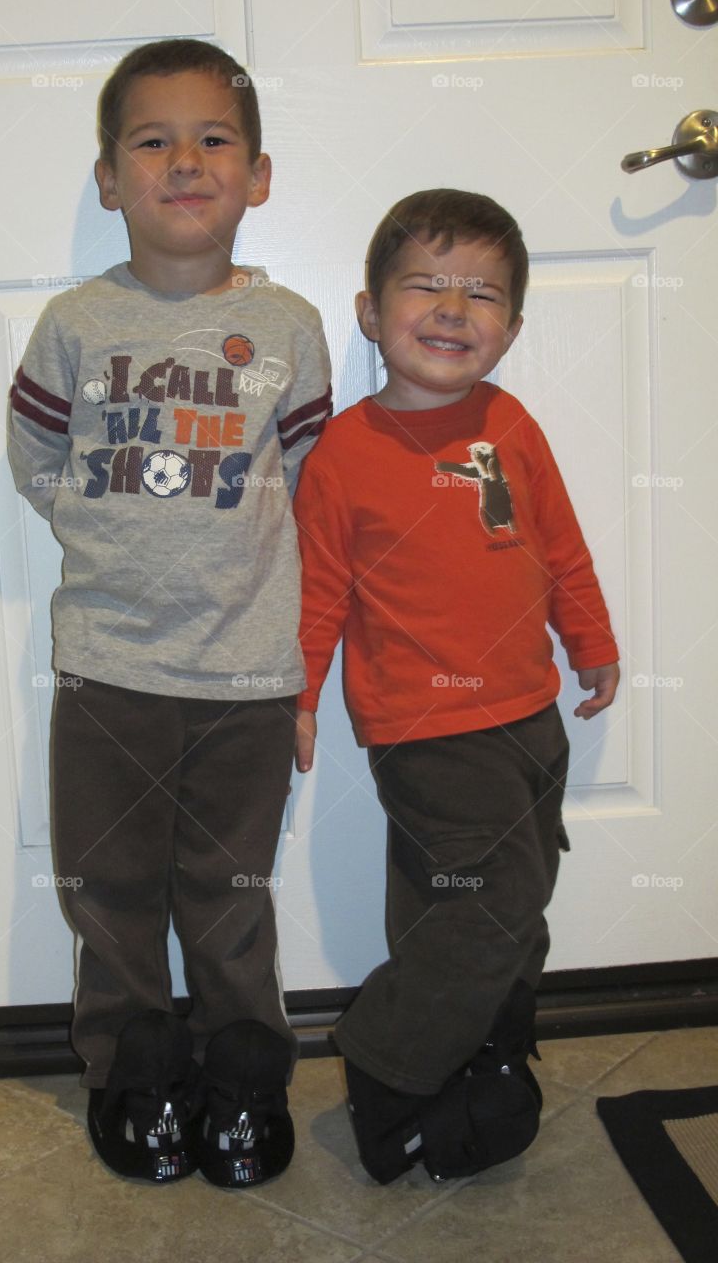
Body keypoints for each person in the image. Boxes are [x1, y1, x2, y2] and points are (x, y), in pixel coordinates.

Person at [7, 38, 332, 1187]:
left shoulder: (290, 328)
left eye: (214, 140)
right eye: (153, 140)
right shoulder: (75, 323)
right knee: (109, 893)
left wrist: (304, 656)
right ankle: (132, 1071)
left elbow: (318, 495)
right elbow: (39, 459)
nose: (185, 160)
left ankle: (244, 1073)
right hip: (106, 672)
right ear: (109, 178)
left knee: (230, 898)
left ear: (259, 175)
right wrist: (106, 536)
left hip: (247, 676)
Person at [293, 189, 619, 1184]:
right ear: (368, 310)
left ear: (511, 328)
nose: (452, 307)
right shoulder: (346, 453)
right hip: (427, 728)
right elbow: (317, 591)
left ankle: (488, 1044)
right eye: (425, 284)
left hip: (529, 712)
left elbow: (557, 544)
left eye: (482, 293)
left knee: (485, 900)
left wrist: (591, 635)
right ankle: (392, 1062)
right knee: (493, 902)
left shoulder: (510, 424)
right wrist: (298, 695)